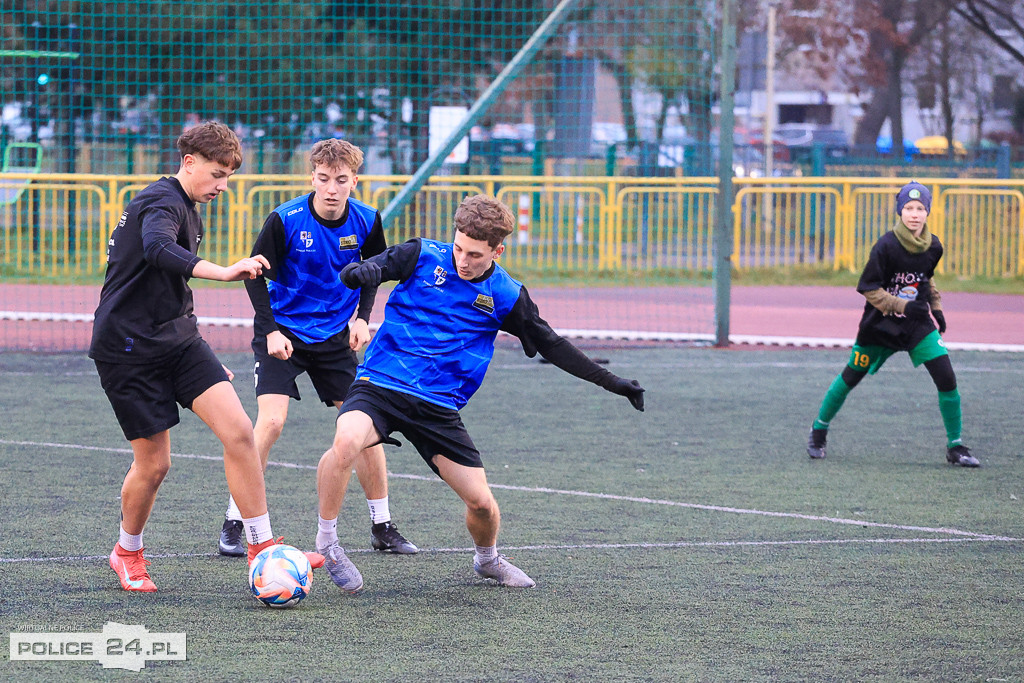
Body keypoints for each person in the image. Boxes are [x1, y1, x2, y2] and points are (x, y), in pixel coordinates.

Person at [313, 194, 646, 593]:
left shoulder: (506, 295)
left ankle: (487, 560)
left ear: (497, 250)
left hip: (438, 408)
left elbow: (552, 345)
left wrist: (613, 382)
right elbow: (374, 267)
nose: (462, 260)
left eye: (474, 254)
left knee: (483, 505)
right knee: (346, 440)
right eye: (458, 248)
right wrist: (358, 273)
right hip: (380, 385)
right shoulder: (420, 254)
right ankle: (328, 544)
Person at [89, 121, 322, 592]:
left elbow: (168, 287)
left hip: (178, 342)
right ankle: (126, 553)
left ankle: (260, 547)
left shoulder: (189, 205)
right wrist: (225, 270)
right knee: (155, 464)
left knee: (239, 431)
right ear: (189, 163)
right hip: (127, 349)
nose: (223, 186)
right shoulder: (161, 201)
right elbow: (157, 250)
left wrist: (202, 357)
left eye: (229, 177)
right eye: (217, 174)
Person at [216, 138, 418, 557]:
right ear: (312, 177)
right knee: (270, 423)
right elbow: (254, 275)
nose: (331, 188)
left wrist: (362, 318)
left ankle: (382, 524)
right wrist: (270, 330)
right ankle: (237, 520)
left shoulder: (366, 220)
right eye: (323, 179)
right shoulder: (284, 219)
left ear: (354, 181)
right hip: (283, 332)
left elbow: (374, 271)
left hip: (334, 338)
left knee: (364, 429)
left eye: (340, 180)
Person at [806, 181, 979, 467]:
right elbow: (869, 289)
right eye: (909, 208)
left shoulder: (934, 245)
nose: (914, 214)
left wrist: (936, 306)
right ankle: (818, 430)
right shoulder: (885, 246)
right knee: (851, 376)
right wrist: (903, 305)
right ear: (899, 211)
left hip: (916, 325)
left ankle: (956, 447)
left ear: (928, 212)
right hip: (880, 325)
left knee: (947, 378)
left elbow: (926, 276)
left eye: (920, 208)